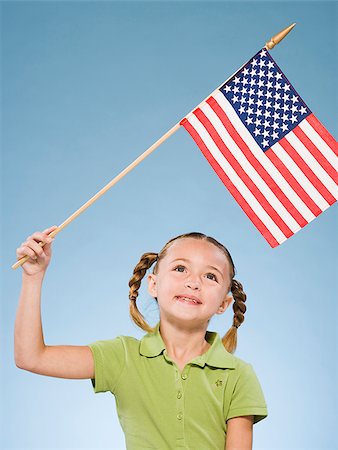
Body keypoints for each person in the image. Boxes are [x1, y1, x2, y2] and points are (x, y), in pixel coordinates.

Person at [14, 225, 268, 450]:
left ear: (224, 303)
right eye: (180, 268)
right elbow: (31, 357)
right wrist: (33, 277)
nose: (193, 282)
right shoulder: (123, 356)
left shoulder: (238, 374)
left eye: (210, 276)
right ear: (153, 284)